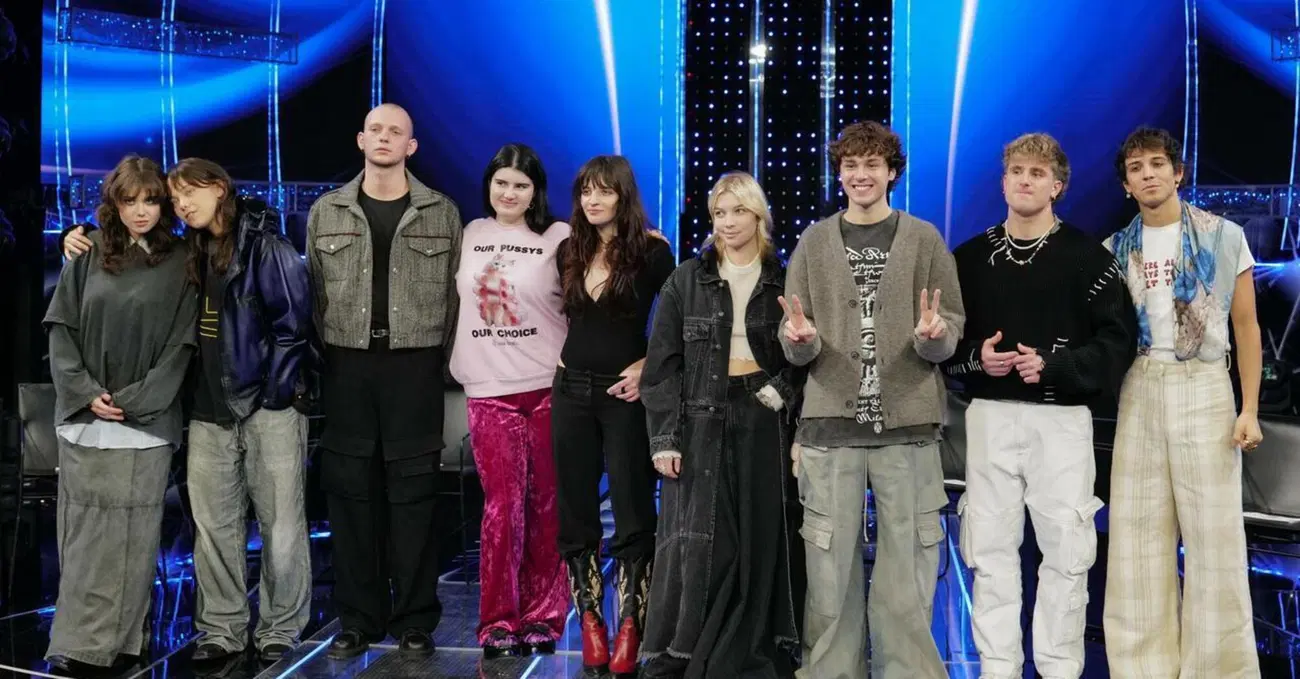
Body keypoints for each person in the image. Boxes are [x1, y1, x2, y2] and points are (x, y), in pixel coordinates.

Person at [62, 159, 315, 665]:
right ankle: (221, 628)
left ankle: (280, 627)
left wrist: (272, 396)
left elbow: (293, 329)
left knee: (282, 526)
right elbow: (128, 245)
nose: (180, 205)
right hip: (205, 409)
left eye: (188, 194)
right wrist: (80, 232)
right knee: (214, 528)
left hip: (267, 407)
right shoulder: (189, 248)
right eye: (174, 198)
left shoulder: (265, 245)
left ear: (219, 188)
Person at [941, 134, 1136, 679]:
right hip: (989, 417)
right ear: (1003, 182)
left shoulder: (1088, 258)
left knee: (1067, 554)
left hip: (1062, 422)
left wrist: (1057, 366)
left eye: (1037, 173)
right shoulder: (968, 259)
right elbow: (944, 344)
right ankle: (997, 668)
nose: (1025, 180)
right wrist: (977, 359)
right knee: (989, 552)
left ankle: (1059, 669)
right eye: (1017, 171)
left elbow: (1117, 342)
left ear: (1058, 186)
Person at [780, 120, 963, 679]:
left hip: (908, 425)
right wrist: (799, 341)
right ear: (839, 173)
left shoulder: (924, 239)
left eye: (872, 165)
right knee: (829, 572)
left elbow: (949, 329)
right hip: (830, 428)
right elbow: (794, 338)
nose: (861, 175)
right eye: (851, 165)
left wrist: (934, 337)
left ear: (891, 173)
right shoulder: (814, 242)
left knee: (908, 570)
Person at [1102, 127, 1264, 679]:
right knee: (1136, 533)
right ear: (1126, 184)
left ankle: (1220, 668)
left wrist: (1249, 408)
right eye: (1135, 168)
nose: (1147, 174)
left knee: (1214, 537)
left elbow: (1247, 326)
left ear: (1178, 172)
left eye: (1156, 163)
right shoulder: (1113, 250)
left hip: (1205, 383)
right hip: (1141, 383)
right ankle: (1141, 668)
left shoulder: (1224, 237)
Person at [307, 103, 462, 659]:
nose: (384, 137)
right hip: (347, 366)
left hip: (413, 367)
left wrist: (434, 363)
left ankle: (415, 619)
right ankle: (356, 619)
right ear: (360, 138)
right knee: (350, 495)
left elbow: (455, 298)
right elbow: (314, 296)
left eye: (395, 131)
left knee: (415, 496)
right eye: (375, 129)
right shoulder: (327, 210)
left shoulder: (441, 212)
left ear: (410, 146)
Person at [639, 171, 801, 679]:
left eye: (738, 211)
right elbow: (661, 365)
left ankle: (753, 647)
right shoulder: (687, 278)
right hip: (700, 417)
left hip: (764, 415)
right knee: (705, 541)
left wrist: (783, 388)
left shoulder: (784, 278)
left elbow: (809, 352)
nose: (728, 223)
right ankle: (691, 648)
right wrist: (665, 438)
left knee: (761, 536)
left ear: (759, 216)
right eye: (719, 213)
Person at [43, 155, 198, 674]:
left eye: (150, 200)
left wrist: (134, 400)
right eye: (129, 201)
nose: (140, 211)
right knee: (83, 537)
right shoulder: (86, 252)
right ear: (114, 202)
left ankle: (123, 643)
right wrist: (87, 393)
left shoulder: (182, 260)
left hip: (146, 423)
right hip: (85, 420)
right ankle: (79, 644)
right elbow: (61, 329)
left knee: (133, 539)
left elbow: (181, 345)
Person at [552, 155, 675, 677]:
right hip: (570, 391)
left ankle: (630, 625)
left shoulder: (654, 251)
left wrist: (647, 367)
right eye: (586, 192)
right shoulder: (569, 249)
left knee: (632, 507)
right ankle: (590, 623)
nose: (593, 200)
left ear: (624, 195)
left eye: (604, 191)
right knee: (576, 511)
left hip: (625, 396)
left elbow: (676, 324)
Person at [449, 143, 569, 659]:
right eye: (502, 183)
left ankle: (544, 616)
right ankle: (497, 621)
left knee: (546, 505)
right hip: (488, 388)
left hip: (547, 386)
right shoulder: (470, 233)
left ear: (535, 191)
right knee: (502, 508)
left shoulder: (558, 236)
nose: (510, 193)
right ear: (489, 185)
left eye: (521, 185)